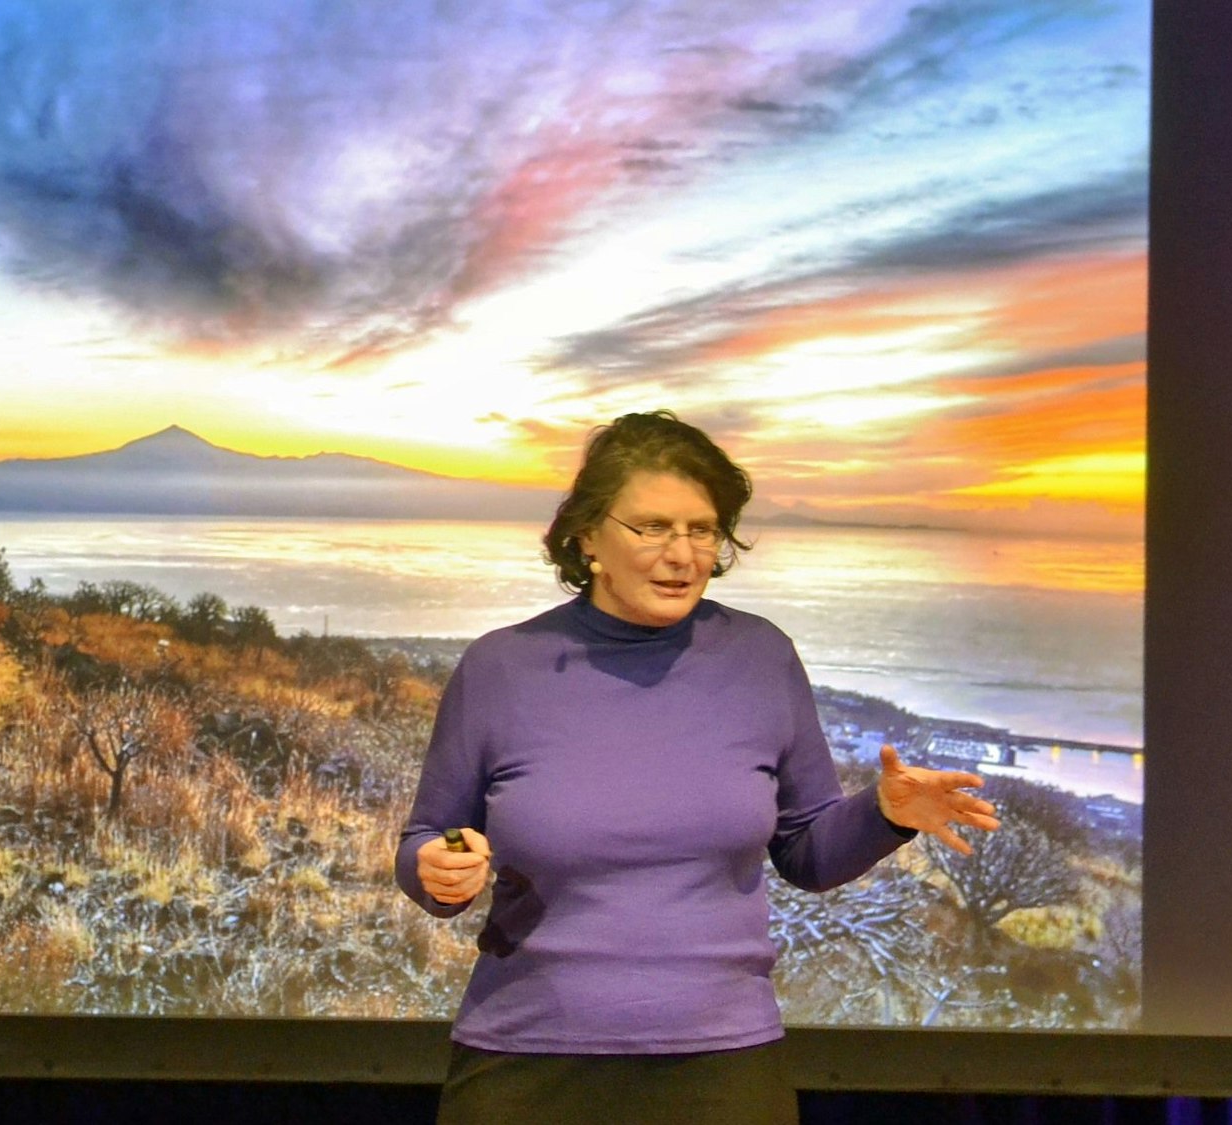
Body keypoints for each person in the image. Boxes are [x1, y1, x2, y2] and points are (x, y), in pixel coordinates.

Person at [395, 411, 1001, 1124]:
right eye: (653, 527)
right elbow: (429, 838)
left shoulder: (761, 657)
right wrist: (436, 871)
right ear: (587, 536)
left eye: (702, 530)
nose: (682, 554)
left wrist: (884, 815)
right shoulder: (500, 667)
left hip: (723, 1068)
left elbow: (807, 854)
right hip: (524, 1060)